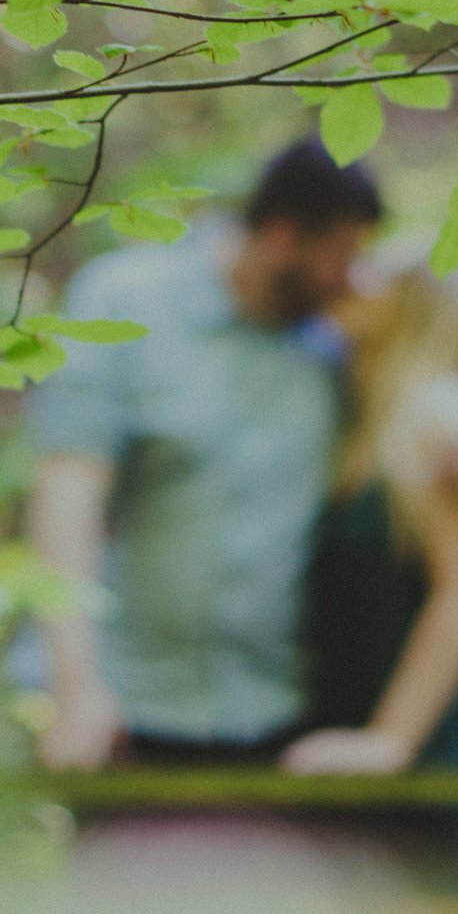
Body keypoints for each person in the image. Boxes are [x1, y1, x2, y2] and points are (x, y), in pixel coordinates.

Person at [23, 140, 382, 770]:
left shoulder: (340, 345)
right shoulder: (126, 303)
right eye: (342, 256)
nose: (353, 278)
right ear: (282, 233)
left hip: (280, 723)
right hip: (126, 715)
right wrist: (74, 688)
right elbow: (67, 498)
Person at [280, 256, 458, 899]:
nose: (351, 276)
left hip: (441, 759)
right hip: (375, 762)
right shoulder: (361, 414)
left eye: (379, 274)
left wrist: (389, 742)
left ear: (414, 308)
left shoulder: (441, 414)